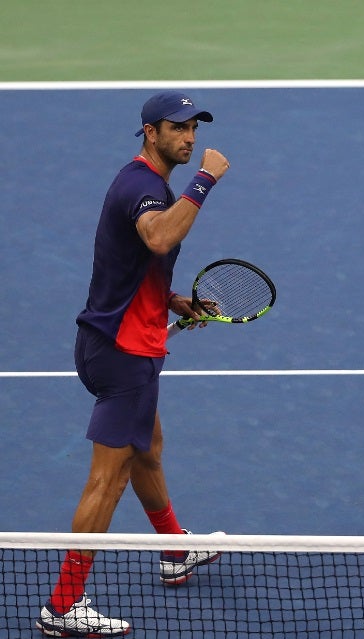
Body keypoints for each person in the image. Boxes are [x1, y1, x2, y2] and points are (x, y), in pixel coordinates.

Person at [36, 91, 231, 637]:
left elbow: (131, 263)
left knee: (148, 449)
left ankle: (175, 550)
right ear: (151, 131)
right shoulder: (141, 187)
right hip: (123, 355)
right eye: (178, 128)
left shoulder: (145, 184)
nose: (190, 138)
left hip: (118, 342)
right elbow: (159, 236)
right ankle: (62, 606)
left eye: (194, 128)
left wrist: (173, 302)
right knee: (108, 480)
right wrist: (206, 179)